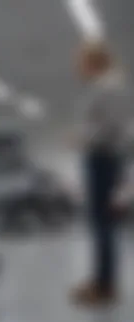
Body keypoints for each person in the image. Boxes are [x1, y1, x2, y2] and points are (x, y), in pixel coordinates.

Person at [71, 41, 131, 306]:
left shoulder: (106, 88)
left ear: (93, 62)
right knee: (102, 224)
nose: (79, 68)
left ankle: (104, 287)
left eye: (82, 63)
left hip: (102, 157)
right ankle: (101, 281)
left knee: (102, 224)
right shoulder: (112, 87)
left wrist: (81, 139)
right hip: (107, 157)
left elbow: (107, 128)